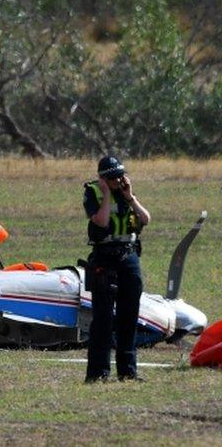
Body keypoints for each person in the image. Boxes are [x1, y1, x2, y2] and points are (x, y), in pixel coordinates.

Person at [83, 155, 151, 383]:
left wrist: (130, 196)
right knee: (103, 318)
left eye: (120, 175)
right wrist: (106, 195)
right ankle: (98, 373)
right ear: (102, 179)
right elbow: (101, 222)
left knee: (129, 315)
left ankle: (128, 371)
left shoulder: (126, 194)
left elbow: (145, 218)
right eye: (112, 178)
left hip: (128, 256)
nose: (117, 180)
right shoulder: (92, 193)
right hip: (104, 258)